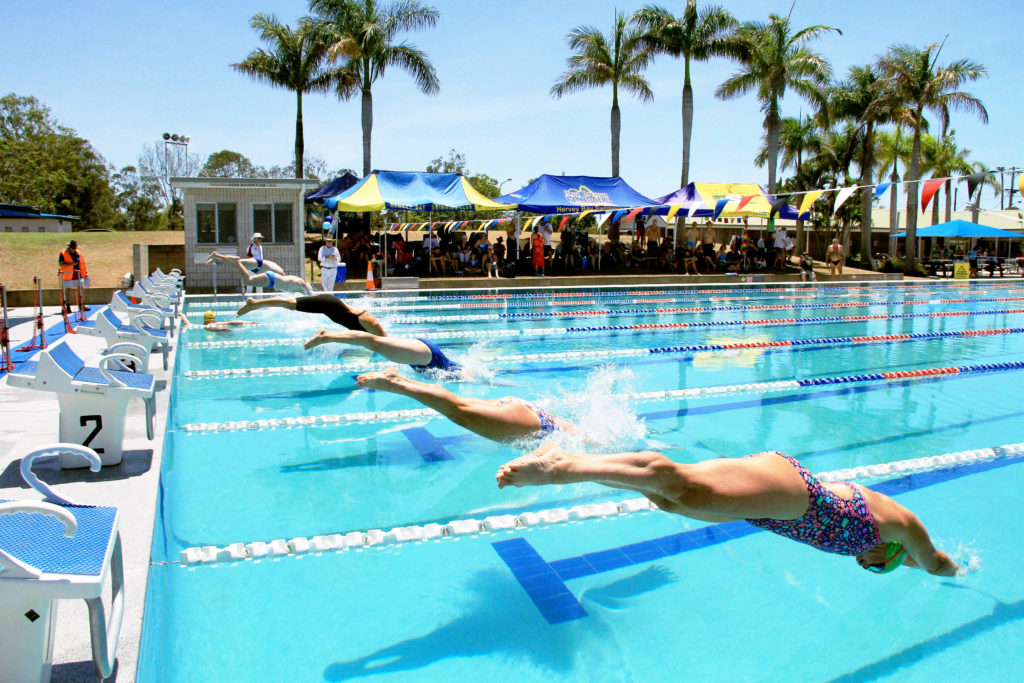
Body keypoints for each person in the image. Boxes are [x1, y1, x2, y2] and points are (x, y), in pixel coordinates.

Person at [496, 444, 959, 577]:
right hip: (799, 494)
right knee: (687, 488)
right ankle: (562, 467)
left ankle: (575, 461)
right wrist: (961, 571)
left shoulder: (883, 542)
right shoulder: (899, 525)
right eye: (877, 569)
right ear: (897, 554)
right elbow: (934, 561)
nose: (865, 564)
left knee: (665, 500)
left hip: (774, 509)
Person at [355, 368, 572, 441]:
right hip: (537, 425)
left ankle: (402, 380)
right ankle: (398, 385)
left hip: (527, 410)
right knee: (458, 412)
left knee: (459, 404)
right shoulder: (595, 441)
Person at [305, 329, 462, 375]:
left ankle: (328, 336)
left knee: (377, 344)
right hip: (428, 357)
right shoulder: (459, 372)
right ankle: (327, 336)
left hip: (424, 354)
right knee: (376, 344)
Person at [237, 293, 386, 336]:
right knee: (290, 304)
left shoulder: (368, 328)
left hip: (331, 308)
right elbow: (386, 342)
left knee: (291, 304)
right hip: (330, 305)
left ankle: (256, 304)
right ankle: (255, 304)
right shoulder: (371, 324)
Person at [209, 251, 314, 295]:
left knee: (238, 265)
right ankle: (218, 256)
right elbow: (306, 288)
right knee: (239, 265)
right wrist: (311, 294)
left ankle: (218, 257)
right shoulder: (292, 281)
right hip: (261, 265)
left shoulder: (289, 280)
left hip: (262, 268)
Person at [58, 240, 89, 310]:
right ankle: (67, 306)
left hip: (78, 273)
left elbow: (81, 263)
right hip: (68, 274)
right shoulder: (63, 253)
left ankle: (81, 305)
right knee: (68, 290)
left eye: (75, 248)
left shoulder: (77, 252)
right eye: (73, 248)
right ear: (70, 247)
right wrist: (70, 265)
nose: (75, 249)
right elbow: (60, 264)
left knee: (81, 289)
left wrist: (85, 272)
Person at [178, 311, 260, 333]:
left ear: (204, 319)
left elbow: (187, 324)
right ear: (213, 319)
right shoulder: (214, 324)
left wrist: (182, 315)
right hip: (223, 331)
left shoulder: (205, 326)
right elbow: (231, 322)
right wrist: (248, 322)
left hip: (221, 331)